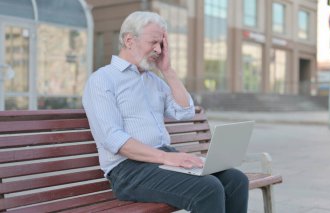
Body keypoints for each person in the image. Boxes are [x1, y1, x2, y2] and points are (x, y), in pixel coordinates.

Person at [82, 11, 248, 213]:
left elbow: (185, 112)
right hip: (127, 170)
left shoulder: (154, 81)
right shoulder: (102, 80)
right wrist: (168, 158)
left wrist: (168, 71)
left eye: (161, 44)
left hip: (160, 160)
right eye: (153, 42)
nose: (158, 50)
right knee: (208, 189)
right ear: (129, 40)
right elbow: (113, 139)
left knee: (236, 180)